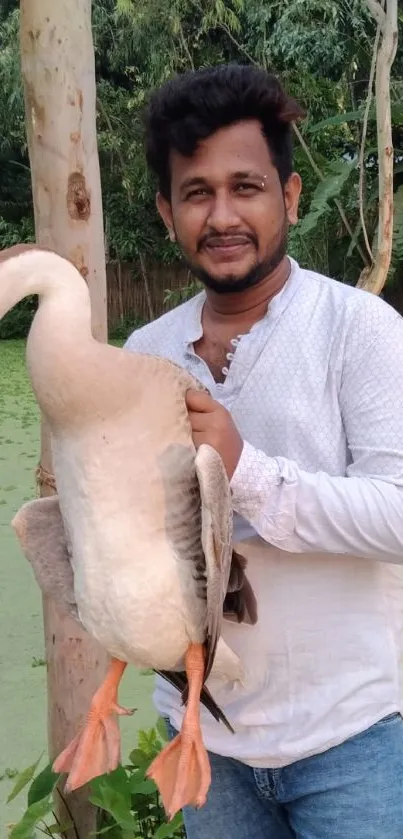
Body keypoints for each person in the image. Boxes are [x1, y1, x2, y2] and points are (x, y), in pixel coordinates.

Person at [124, 63, 403, 839]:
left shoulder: (361, 330)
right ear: (165, 210)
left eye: (244, 187)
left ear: (289, 195)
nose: (221, 215)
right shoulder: (146, 352)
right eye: (195, 192)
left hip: (353, 736)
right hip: (205, 742)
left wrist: (245, 472)